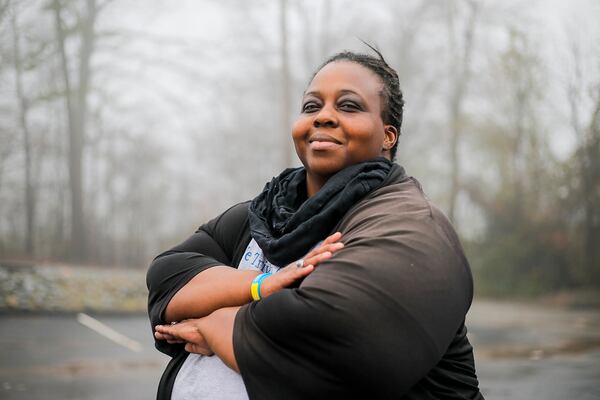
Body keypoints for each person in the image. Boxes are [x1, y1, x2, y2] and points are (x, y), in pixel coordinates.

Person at [147, 48, 484, 400]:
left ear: (388, 136)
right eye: (312, 106)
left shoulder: (412, 225)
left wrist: (214, 323)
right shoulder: (262, 215)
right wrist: (263, 285)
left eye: (349, 105)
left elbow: (331, 340)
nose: (324, 116)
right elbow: (166, 279)